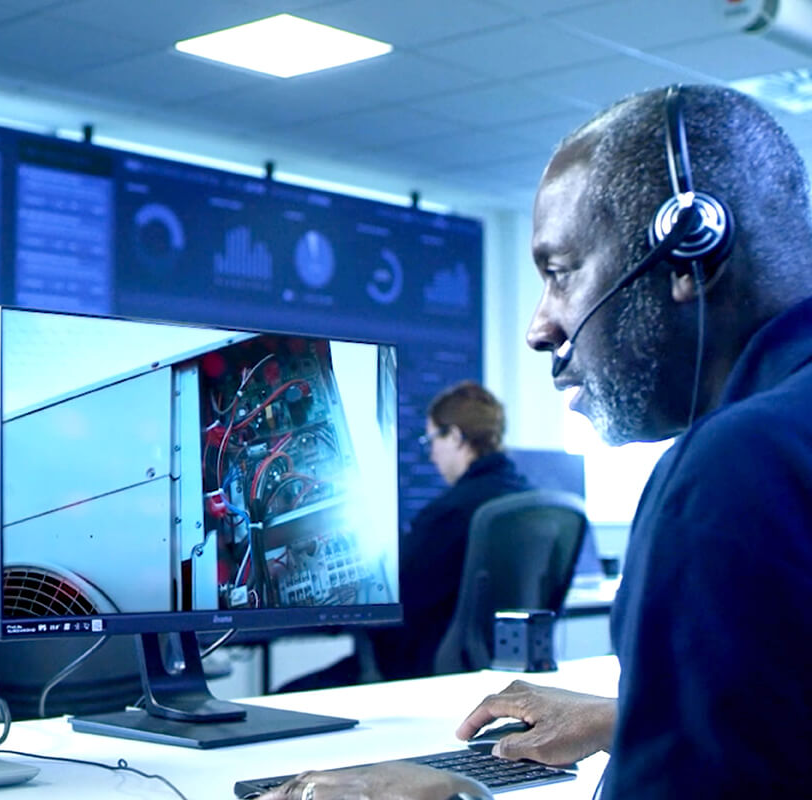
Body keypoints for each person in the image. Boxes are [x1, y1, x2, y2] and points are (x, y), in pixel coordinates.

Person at [263, 84, 812, 800]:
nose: (540, 327)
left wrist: (453, 796)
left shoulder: (736, 469)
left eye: (558, 273)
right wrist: (642, 715)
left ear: (689, 251)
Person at [278, 381, 530, 692]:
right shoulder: (526, 500)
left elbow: (396, 597)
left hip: (420, 671)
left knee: (285, 695)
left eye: (432, 439)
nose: (432, 456)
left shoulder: (452, 513)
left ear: (454, 436)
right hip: (492, 672)